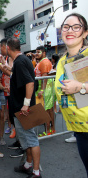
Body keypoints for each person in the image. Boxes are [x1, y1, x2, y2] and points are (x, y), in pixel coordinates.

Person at [55, 13, 88, 177]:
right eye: (66, 27)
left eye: (76, 27)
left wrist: (81, 86)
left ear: (85, 33)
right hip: (79, 129)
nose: (70, 30)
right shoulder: (62, 61)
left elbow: (77, 88)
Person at [7, 37, 41, 178]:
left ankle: (36, 172)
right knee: (26, 140)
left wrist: (26, 105)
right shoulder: (22, 60)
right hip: (21, 107)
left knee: (31, 140)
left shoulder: (20, 61)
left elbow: (30, 83)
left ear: (8, 48)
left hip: (24, 109)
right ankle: (27, 165)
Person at [34, 46, 54, 136]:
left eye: (39, 52)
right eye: (36, 52)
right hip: (45, 87)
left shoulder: (44, 62)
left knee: (46, 110)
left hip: (46, 88)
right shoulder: (41, 62)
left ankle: (49, 130)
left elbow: (44, 78)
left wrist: (42, 90)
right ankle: (50, 130)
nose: (36, 53)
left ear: (44, 53)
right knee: (49, 110)